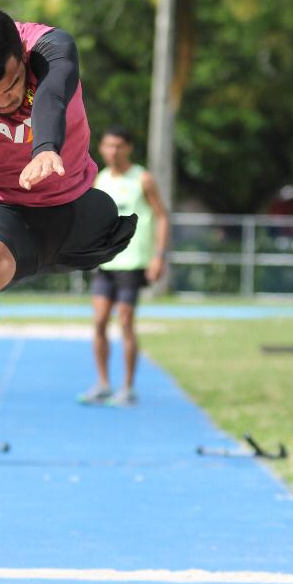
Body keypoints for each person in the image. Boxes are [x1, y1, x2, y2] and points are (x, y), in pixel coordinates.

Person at [0, 8, 137, 385]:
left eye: (14, 84)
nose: (6, 100)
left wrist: (46, 147)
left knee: (107, 216)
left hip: (73, 211)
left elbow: (51, 96)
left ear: (22, 56)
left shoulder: (51, 47)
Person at [80, 127, 170, 406]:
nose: (112, 151)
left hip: (133, 263)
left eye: (118, 146)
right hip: (105, 262)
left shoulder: (142, 179)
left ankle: (128, 387)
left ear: (129, 148)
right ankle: (103, 384)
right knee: (99, 322)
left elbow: (162, 217)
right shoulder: (100, 178)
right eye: (108, 146)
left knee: (126, 322)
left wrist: (158, 256)